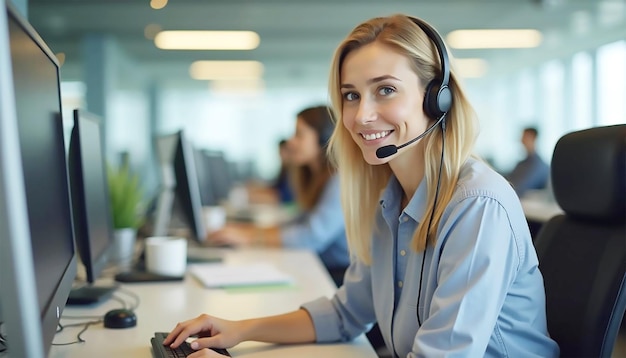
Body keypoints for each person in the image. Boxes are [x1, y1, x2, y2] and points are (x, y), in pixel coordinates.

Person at [163, 14, 560, 357]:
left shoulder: (477, 206)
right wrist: (241, 330)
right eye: (350, 95)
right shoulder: (388, 199)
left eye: (385, 90)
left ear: (436, 98)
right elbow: (345, 313)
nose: (361, 115)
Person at [207, 105, 350, 286]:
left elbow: (311, 235)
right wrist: (246, 231)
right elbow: (299, 221)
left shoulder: (340, 180)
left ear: (323, 139)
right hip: (320, 267)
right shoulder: (317, 178)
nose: (291, 141)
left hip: (339, 277)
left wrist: (250, 237)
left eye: (299, 134)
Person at [506, 126, 550, 197]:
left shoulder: (538, 166)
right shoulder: (521, 164)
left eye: (524, 137)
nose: (521, 140)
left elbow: (521, 187)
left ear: (533, 138)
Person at [271, 138, 295, 204]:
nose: (280, 155)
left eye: (282, 152)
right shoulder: (284, 170)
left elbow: (284, 196)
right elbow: (275, 187)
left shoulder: (293, 171)